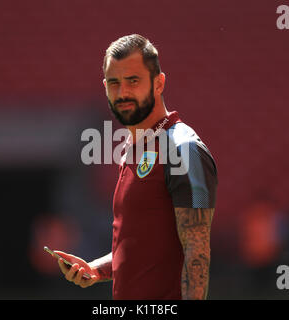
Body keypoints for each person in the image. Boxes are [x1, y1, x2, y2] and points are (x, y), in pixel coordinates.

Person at [54, 34, 218, 300]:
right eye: (115, 83)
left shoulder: (182, 148)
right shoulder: (135, 150)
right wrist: (97, 269)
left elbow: (196, 253)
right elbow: (140, 247)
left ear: (159, 83)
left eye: (133, 81)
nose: (123, 93)